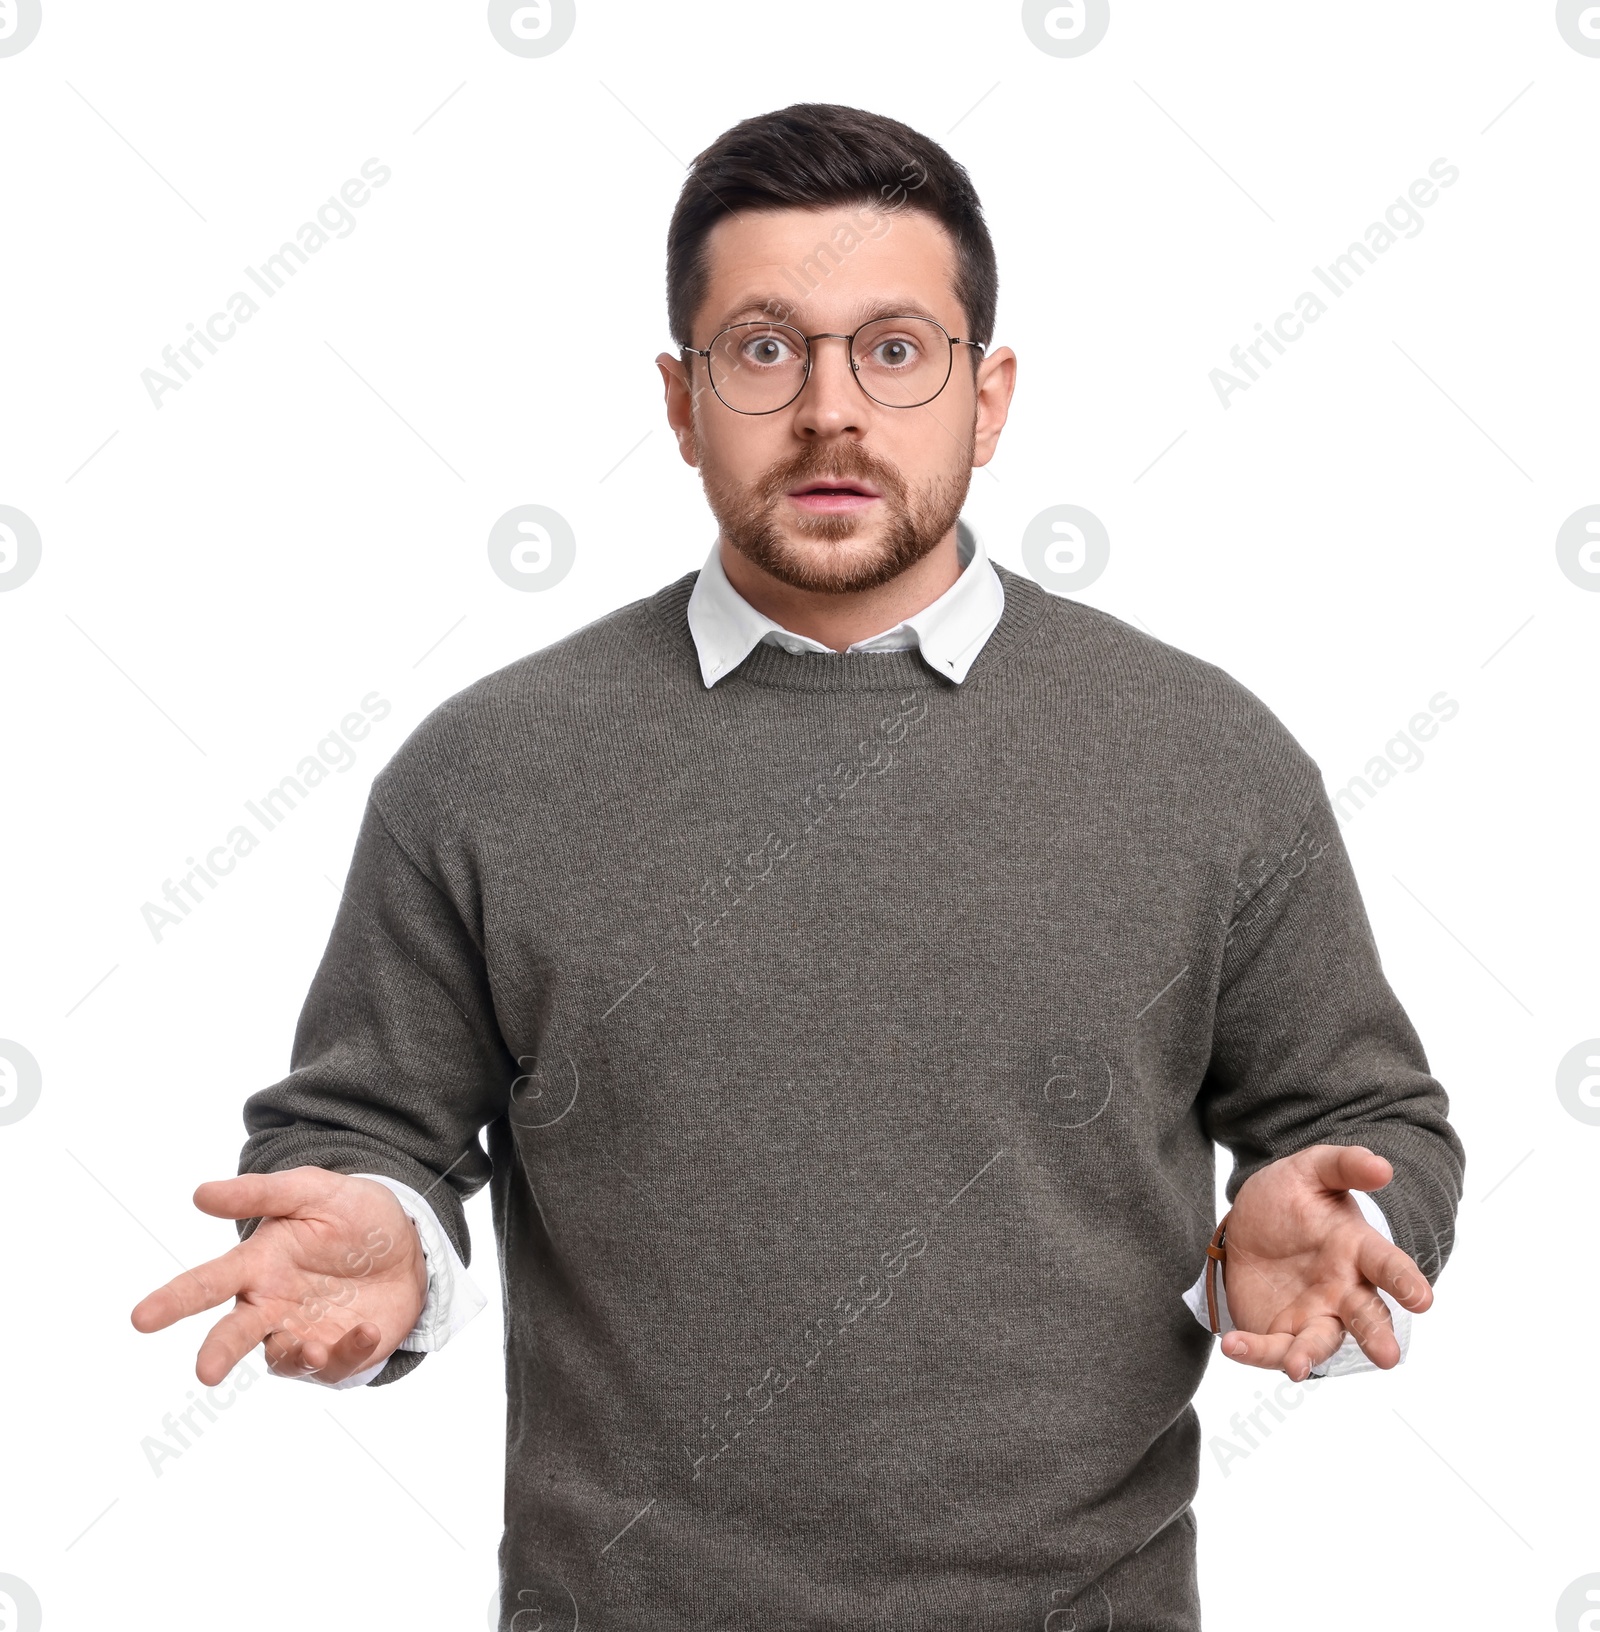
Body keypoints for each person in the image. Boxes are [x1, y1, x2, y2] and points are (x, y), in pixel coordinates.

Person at [130, 102, 1465, 1630]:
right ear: (683, 401)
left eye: (895, 349)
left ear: (993, 393)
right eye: (765, 350)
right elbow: (369, 1135)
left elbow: (1366, 1118)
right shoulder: (487, 770)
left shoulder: (1203, 755)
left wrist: (1341, 1234)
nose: (834, 409)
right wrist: (387, 1238)